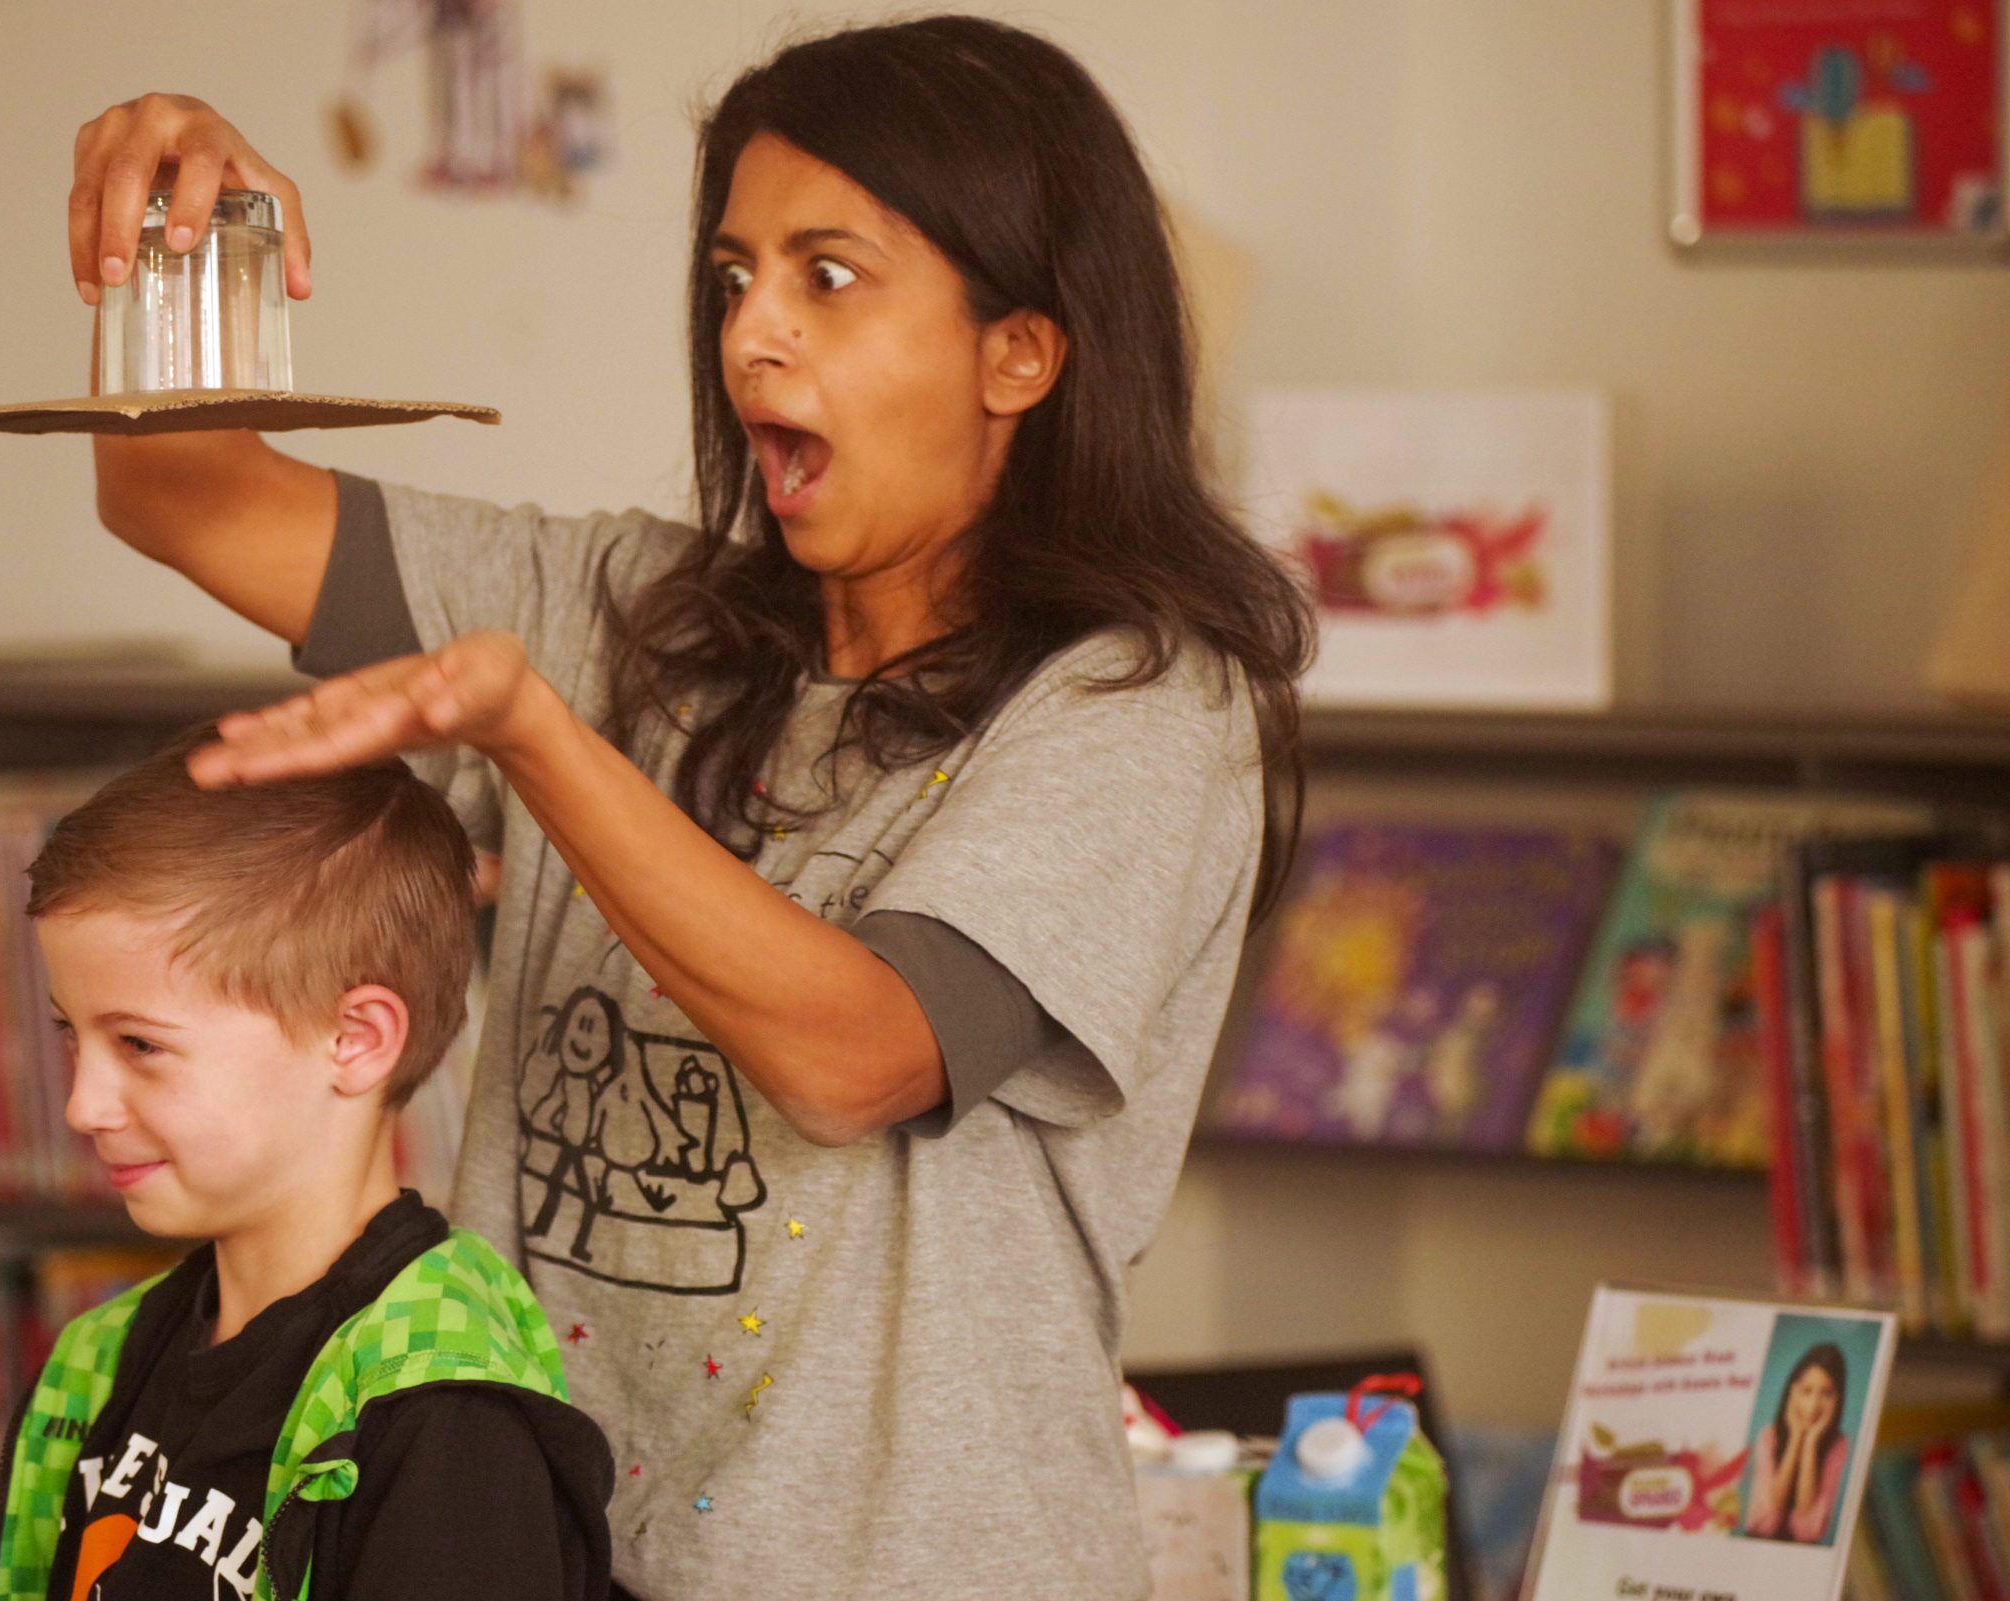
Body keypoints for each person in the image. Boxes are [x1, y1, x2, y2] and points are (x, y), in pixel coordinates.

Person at [72, 16, 1313, 1597]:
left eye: (828, 276)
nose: (749, 341)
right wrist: (182, 240)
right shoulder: (630, 612)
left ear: (1023, 349)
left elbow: (853, 1053)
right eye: (734, 279)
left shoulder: (1143, 705)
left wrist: (532, 730)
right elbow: (177, 491)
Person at [0, 726, 613, 1601]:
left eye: (139, 1043)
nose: (82, 1106)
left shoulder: (443, 1419)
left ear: (354, 1040)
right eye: (71, 1032)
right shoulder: (100, 1359)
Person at [1743, 1343, 1851, 1544]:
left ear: (1838, 1398)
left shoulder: (1839, 1445)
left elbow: (1806, 1529)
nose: (1814, 1405)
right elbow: (1769, 1520)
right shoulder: (1769, 1437)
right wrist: (1795, 1437)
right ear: (1793, 1391)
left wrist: (1810, 1442)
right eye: (1806, 1390)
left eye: (1827, 1393)